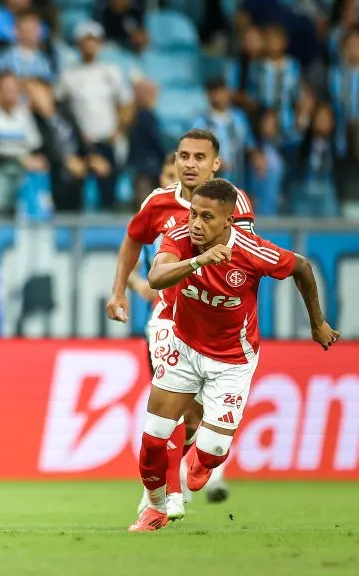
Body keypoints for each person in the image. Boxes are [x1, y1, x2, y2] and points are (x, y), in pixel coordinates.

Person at [129, 178, 338, 531]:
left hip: (232, 361)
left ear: (228, 221)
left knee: (209, 455)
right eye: (193, 213)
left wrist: (317, 323)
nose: (196, 223)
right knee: (153, 439)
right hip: (183, 347)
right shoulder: (180, 236)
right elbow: (157, 275)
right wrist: (199, 261)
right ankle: (155, 508)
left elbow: (301, 267)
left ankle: (203, 456)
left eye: (207, 217)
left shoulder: (253, 252)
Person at [106, 129, 256, 521]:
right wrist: (119, 290)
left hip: (213, 326)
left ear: (215, 164)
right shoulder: (158, 202)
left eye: (199, 157)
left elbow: (243, 257)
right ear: (175, 160)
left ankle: (160, 481)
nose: (190, 164)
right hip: (169, 317)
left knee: (192, 419)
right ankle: (168, 495)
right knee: (167, 409)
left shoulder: (235, 203)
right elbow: (133, 239)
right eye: (183, 156)